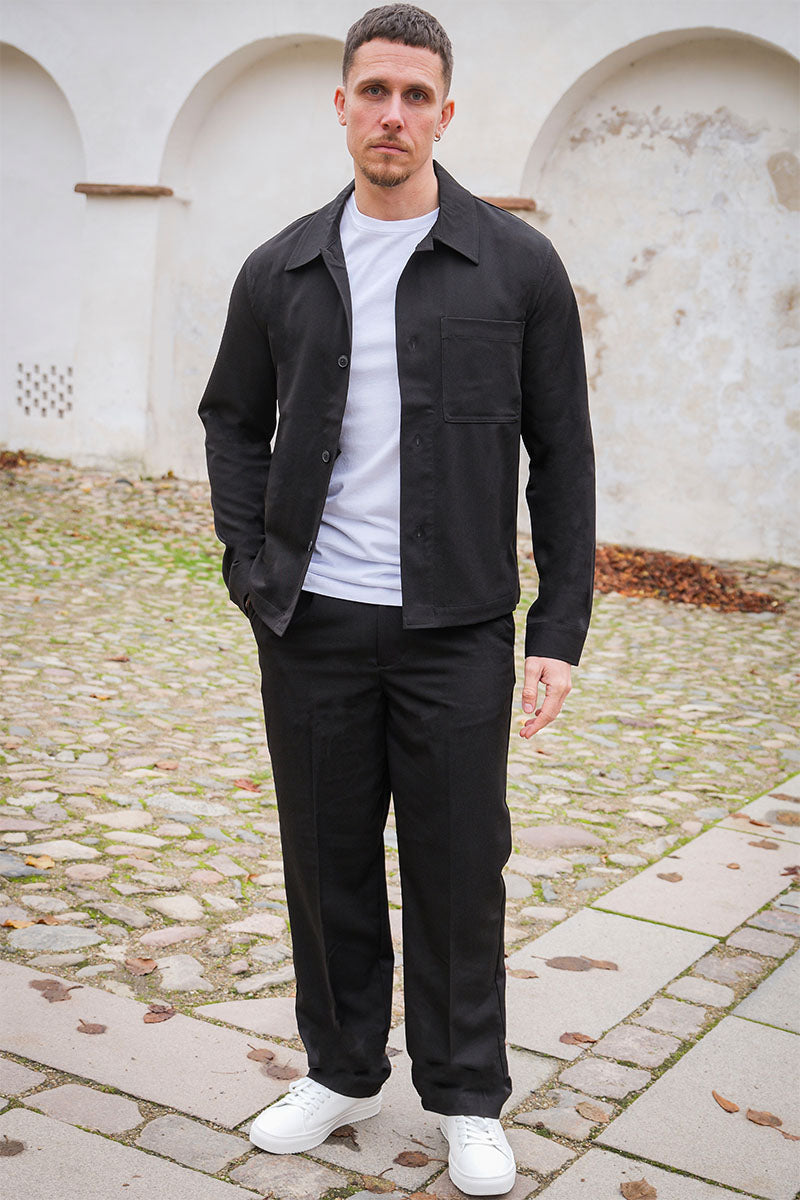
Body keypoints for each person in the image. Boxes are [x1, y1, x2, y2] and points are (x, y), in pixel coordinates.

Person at [198, 4, 594, 1194]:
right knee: (324, 862)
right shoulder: (280, 268)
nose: (392, 114)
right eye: (372, 90)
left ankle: (466, 1096)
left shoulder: (514, 266)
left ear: (444, 113)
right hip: (312, 623)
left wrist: (556, 629)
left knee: (459, 867)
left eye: (415, 95)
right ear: (341, 104)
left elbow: (562, 455)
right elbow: (232, 421)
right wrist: (249, 565)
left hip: (456, 629)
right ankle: (339, 1071)